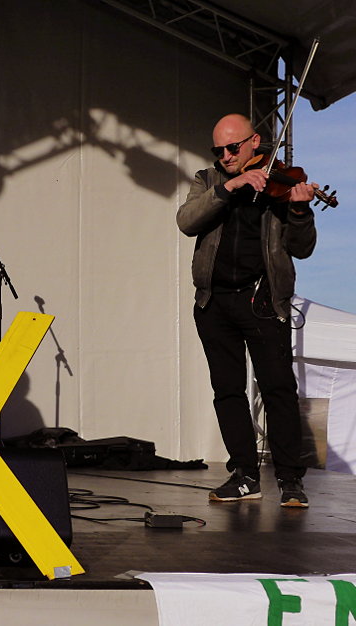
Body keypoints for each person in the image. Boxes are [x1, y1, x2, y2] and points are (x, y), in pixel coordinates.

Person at [177, 113, 317, 508]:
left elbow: (302, 247)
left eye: (233, 147)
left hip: (261, 299)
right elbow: (186, 221)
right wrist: (231, 186)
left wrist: (301, 211)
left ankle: (290, 480)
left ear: (255, 142)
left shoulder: (282, 182)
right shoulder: (208, 180)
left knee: (278, 389)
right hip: (214, 301)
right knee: (227, 390)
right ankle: (244, 475)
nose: (225, 155)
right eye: (218, 150)